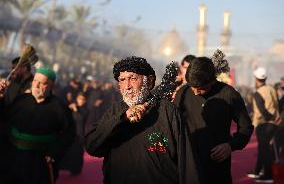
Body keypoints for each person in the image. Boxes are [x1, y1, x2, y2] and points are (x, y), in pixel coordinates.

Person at [85, 56, 200, 184]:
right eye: (122, 80)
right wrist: (122, 118)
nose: (127, 86)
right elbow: (92, 146)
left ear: (149, 81)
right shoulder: (115, 111)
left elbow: (186, 159)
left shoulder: (168, 111)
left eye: (133, 78)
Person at [174, 57, 254, 184]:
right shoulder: (183, 93)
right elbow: (173, 124)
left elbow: (246, 127)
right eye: (192, 87)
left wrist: (230, 145)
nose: (195, 92)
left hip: (217, 165)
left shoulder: (229, 94)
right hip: (189, 162)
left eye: (200, 88)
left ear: (212, 81)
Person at [2, 67, 76, 184]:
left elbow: (69, 132)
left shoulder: (59, 108)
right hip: (14, 158)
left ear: (52, 86)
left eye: (42, 83)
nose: (36, 85)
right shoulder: (20, 100)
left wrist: (54, 152)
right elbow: (3, 119)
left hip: (40, 161)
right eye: (35, 81)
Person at [247, 67, 280, 183]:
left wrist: (270, 117)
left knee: (264, 151)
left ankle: (268, 175)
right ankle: (258, 171)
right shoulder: (272, 89)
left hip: (263, 125)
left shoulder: (257, 93)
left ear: (256, 79)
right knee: (263, 149)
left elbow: (262, 111)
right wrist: (275, 117)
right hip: (274, 124)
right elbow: (278, 105)